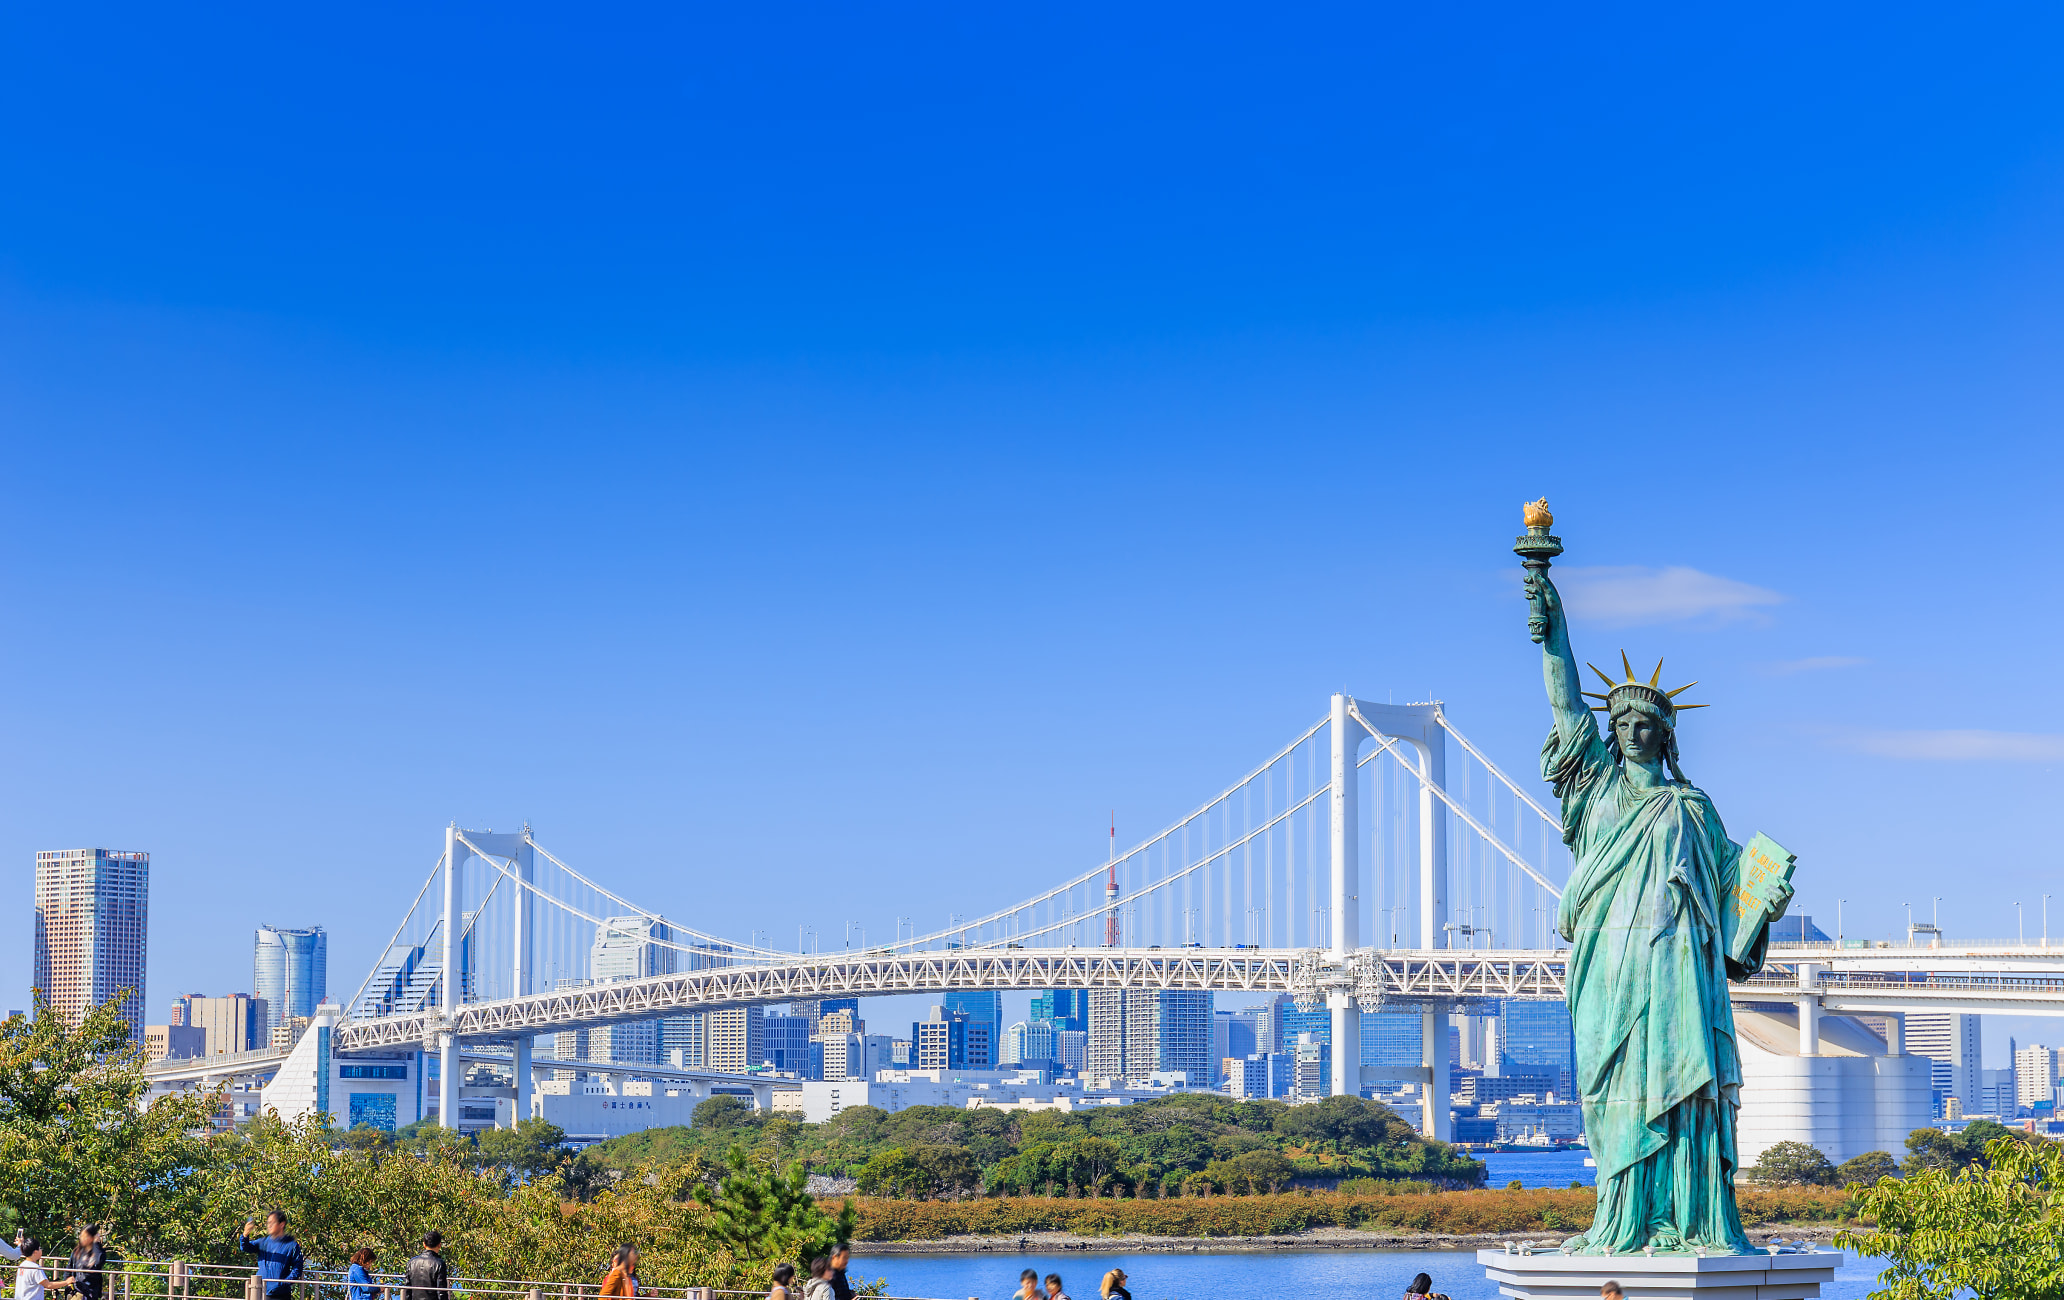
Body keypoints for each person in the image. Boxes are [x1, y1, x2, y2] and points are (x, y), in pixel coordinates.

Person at [1522, 558, 1791, 1254]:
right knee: (1614, 1091)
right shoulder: (1596, 788)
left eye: (1649, 722)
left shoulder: (1692, 807)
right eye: (1625, 719)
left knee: (1682, 1088)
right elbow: (1564, 702)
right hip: (1609, 966)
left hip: (1677, 968)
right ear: (1611, 731)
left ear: (1668, 735)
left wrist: (1768, 900)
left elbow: (1736, 900)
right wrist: (1552, 621)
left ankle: (1690, 1217)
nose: (1636, 730)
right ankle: (1621, 1218)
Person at [238, 1212, 304, 1300]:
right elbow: (245, 1247)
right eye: (268, 1223)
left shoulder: (291, 1245)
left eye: (272, 1223)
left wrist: (282, 1283)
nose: (269, 1226)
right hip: (260, 1291)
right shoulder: (263, 1242)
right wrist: (245, 1234)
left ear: (282, 1224)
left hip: (280, 1295)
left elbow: (298, 1268)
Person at [404, 1232, 449, 1300]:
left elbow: (408, 1289)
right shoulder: (439, 1263)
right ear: (439, 1245)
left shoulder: (411, 1262)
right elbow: (441, 1291)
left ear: (424, 1244)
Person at [65, 1229, 106, 1300]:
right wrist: (68, 1285)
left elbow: (99, 1261)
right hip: (82, 1290)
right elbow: (69, 1268)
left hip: (89, 1290)